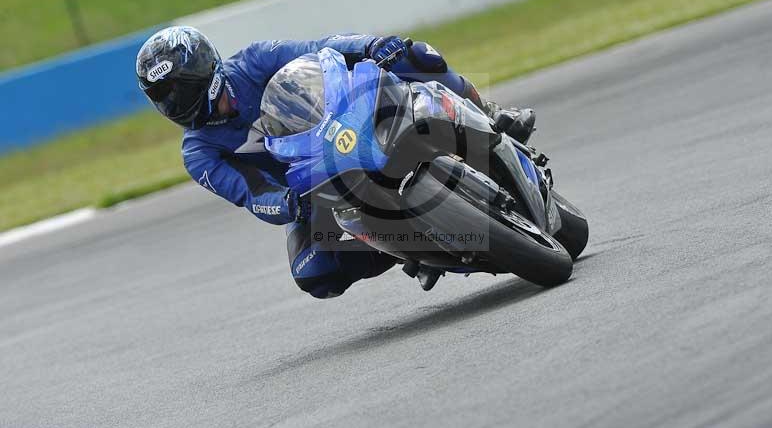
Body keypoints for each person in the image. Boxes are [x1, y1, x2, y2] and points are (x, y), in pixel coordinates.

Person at [135, 26, 534, 298]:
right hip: (311, 187)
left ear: (205, 69)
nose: (174, 104)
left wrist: (371, 46)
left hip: (346, 122)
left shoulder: (255, 61)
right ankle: (408, 249)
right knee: (313, 273)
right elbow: (252, 194)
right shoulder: (198, 153)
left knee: (413, 55)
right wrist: (289, 204)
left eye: (178, 90)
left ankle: (488, 112)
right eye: (163, 97)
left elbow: (323, 50)